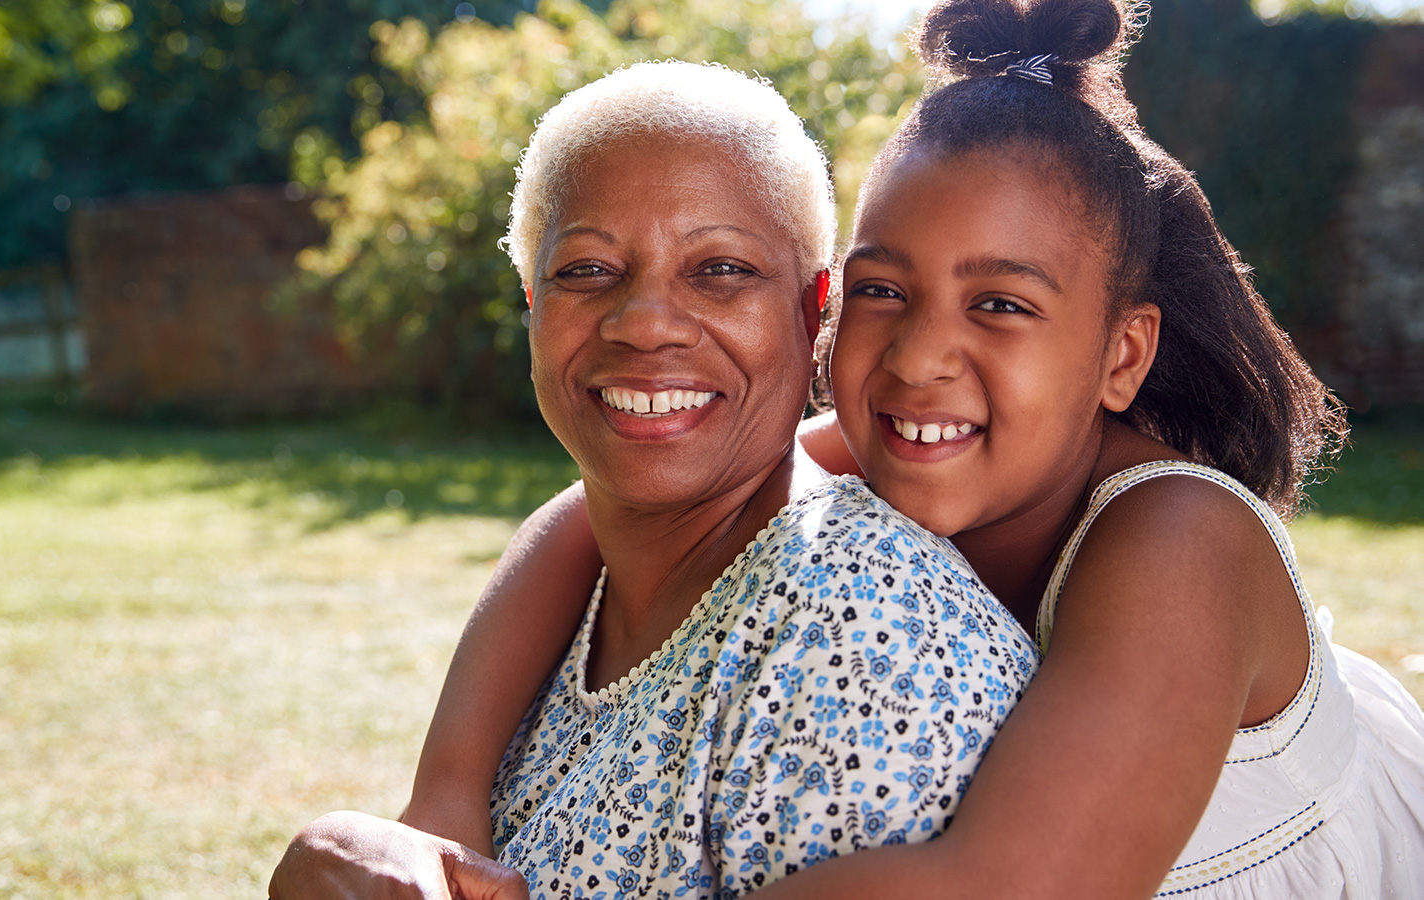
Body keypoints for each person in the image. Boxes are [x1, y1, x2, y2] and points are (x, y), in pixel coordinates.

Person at [309, 0, 1424, 896]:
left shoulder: (1177, 538)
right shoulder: (905, 443)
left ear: (1122, 357)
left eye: (1000, 306)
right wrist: (446, 798)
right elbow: (582, 523)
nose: (919, 356)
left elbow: (1002, 884)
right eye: (885, 291)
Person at [268, 60, 1039, 900]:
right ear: (532, 298)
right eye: (588, 271)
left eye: (721, 270)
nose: (643, 324)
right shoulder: (580, 590)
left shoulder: (861, 631)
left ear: (815, 308)